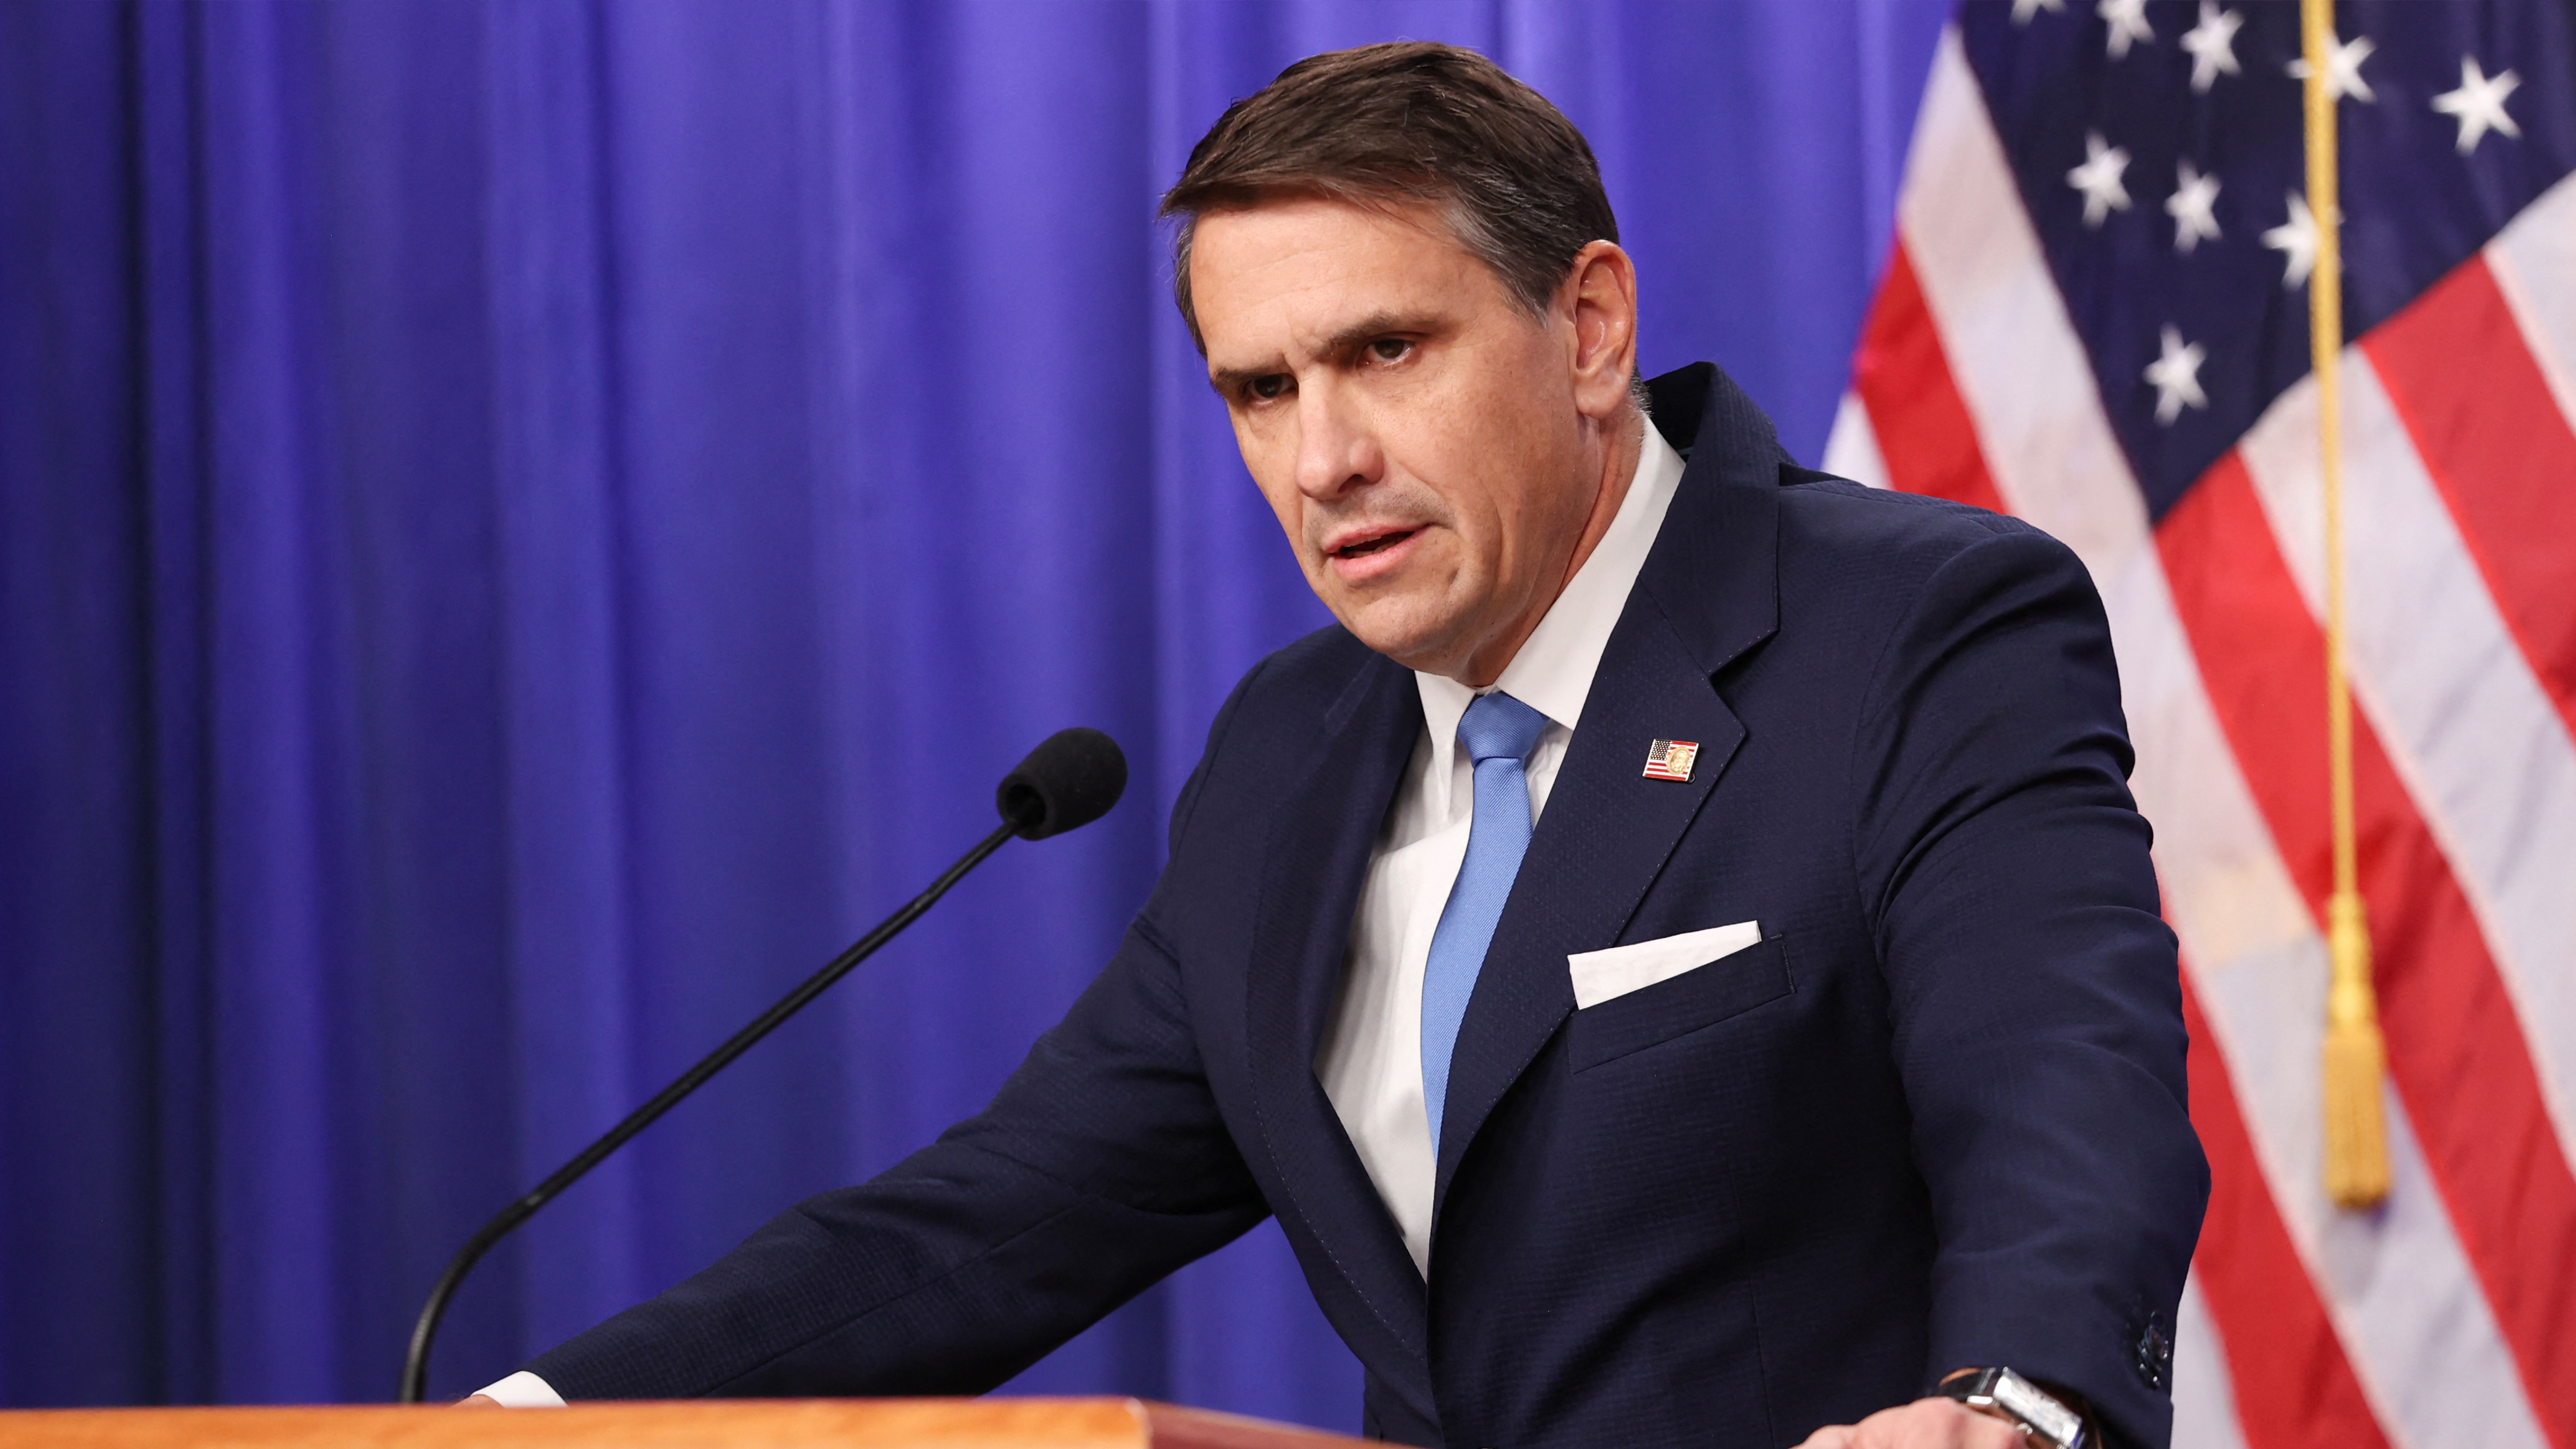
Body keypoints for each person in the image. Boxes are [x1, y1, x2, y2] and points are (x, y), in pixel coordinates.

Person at [470, 41, 2206, 1449]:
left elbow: (2063, 1081)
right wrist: (526, 1422)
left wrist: (2016, 1405)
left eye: (1386, 350)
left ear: (1589, 327)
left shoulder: (1913, 630)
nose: (1323, 460)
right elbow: (999, 1219)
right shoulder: (1288, 749)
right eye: (1262, 389)